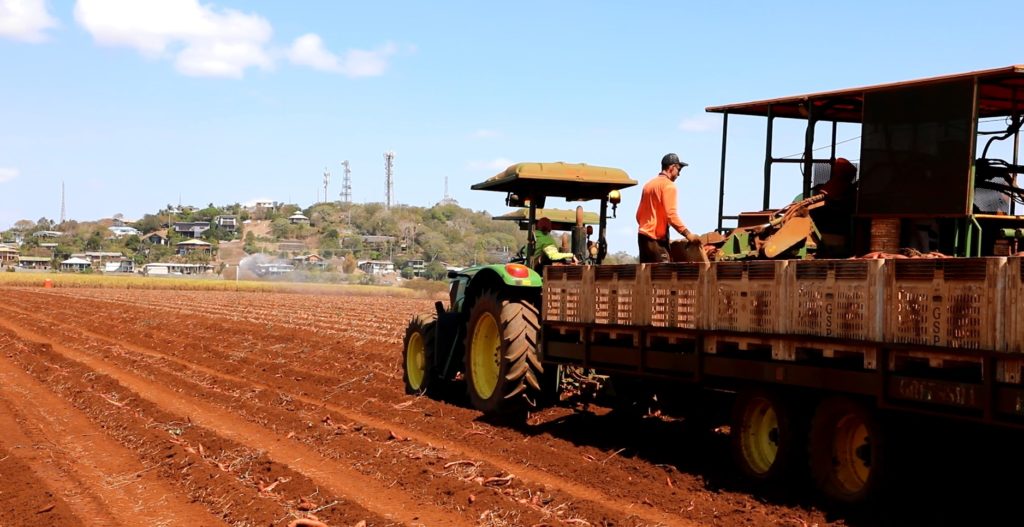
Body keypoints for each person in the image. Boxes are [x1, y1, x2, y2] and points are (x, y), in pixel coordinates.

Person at [636, 153, 700, 263]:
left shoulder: (648, 185)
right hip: (655, 239)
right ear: (672, 167)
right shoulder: (668, 186)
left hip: (642, 239)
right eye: (679, 170)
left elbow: (638, 215)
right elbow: (671, 215)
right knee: (664, 276)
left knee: (646, 276)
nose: (679, 174)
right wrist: (688, 235)